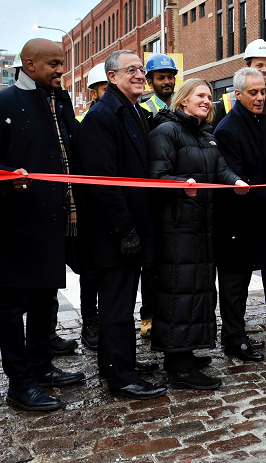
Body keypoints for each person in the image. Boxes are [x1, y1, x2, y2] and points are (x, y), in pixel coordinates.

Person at [0, 38, 85, 412]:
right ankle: (19, 383)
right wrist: (7, 177)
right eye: (53, 63)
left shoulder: (61, 99)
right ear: (29, 63)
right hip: (20, 223)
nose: (60, 70)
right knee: (14, 304)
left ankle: (42, 367)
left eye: (62, 63)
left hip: (57, 220)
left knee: (44, 301)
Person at [79, 49, 168, 400]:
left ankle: (119, 362)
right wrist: (125, 230)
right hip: (113, 231)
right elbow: (103, 181)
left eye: (141, 69)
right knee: (115, 307)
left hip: (128, 227)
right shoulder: (103, 116)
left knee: (122, 303)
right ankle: (121, 377)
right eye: (130, 69)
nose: (139, 74)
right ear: (111, 76)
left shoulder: (130, 110)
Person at [148, 78, 248, 389]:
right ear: (183, 100)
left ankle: (186, 351)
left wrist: (236, 181)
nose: (207, 101)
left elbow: (219, 170)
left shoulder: (204, 134)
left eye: (209, 96)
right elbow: (157, 176)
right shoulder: (167, 131)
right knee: (180, 292)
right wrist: (182, 185)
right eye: (200, 95)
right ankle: (178, 367)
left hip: (201, 227)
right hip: (177, 228)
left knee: (196, 291)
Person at [213, 39, 266, 322]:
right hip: (241, 209)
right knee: (236, 278)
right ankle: (235, 334)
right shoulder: (227, 120)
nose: (260, 97)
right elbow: (234, 171)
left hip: (263, 205)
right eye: (254, 92)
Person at [137, 53, 178, 338]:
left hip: (177, 193)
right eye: (161, 77)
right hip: (153, 193)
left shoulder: (179, 103)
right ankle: (148, 315)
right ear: (150, 81)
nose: (167, 82)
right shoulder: (143, 109)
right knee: (150, 264)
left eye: (170, 76)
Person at [74, 62, 108, 350]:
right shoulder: (91, 121)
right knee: (92, 271)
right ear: (94, 92)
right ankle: (90, 321)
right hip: (93, 207)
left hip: (115, 206)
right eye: (104, 89)